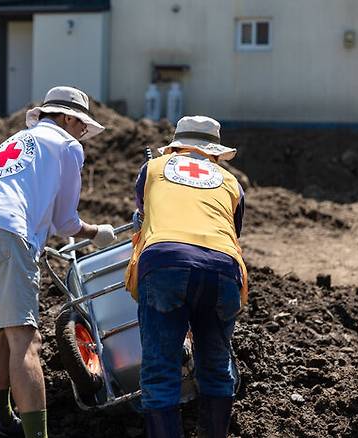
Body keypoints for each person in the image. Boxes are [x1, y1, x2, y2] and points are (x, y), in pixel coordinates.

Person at [0, 86, 116, 438]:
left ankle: (2, 421)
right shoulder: (66, 145)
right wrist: (96, 232)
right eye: (82, 125)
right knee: (27, 342)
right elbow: (65, 222)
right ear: (67, 118)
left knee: (3, 331)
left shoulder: (13, 141)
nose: (83, 133)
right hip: (8, 236)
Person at [125, 116, 248, 438]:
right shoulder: (231, 181)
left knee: (160, 372)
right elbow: (232, 231)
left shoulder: (153, 169)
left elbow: (142, 217)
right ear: (215, 153)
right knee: (216, 368)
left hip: (165, 263)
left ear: (175, 146)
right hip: (223, 268)